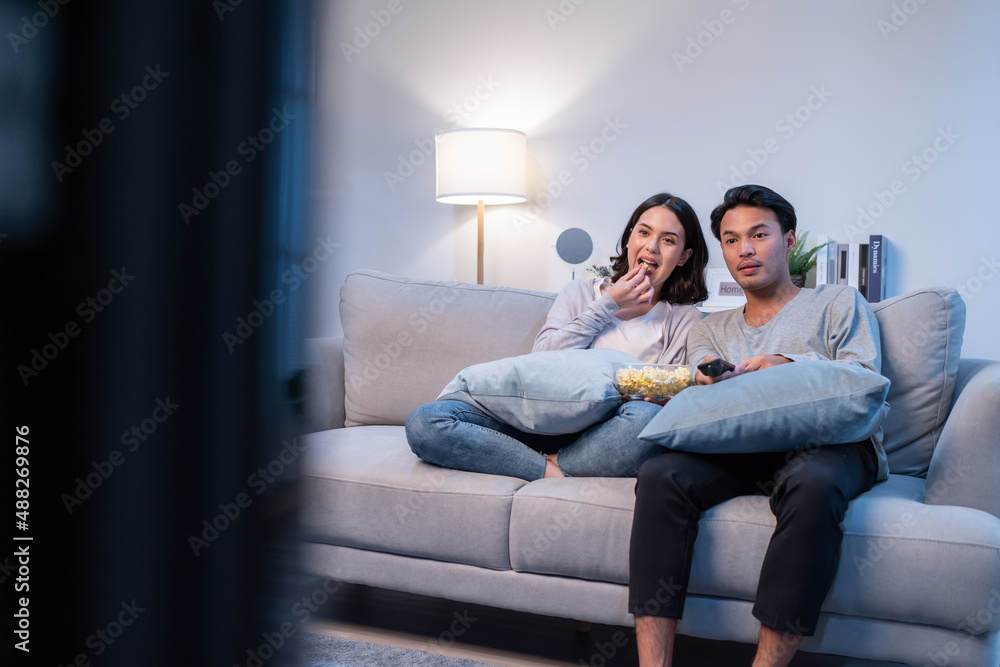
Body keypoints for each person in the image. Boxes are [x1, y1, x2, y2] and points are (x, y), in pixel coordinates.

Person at [628, 184, 888, 667]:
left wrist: (788, 364)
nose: (744, 250)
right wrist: (698, 383)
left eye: (758, 234)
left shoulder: (838, 302)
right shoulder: (710, 328)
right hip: (742, 446)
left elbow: (865, 382)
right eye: (730, 240)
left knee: (812, 484)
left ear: (789, 240)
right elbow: (701, 393)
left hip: (832, 444)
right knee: (661, 475)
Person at [405, 192, 710, 481]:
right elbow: (543, 358)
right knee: (425, 422)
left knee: (645, 419)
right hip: (528, 418)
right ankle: (552, 471)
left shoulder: (682, 318)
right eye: (644, 232)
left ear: (683, 256)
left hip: (601, 434)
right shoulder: (579, 293)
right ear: (630, 237)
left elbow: (661, 399)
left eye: (668, 240)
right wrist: (609, 304)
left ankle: (539, 462)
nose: (652, 246)